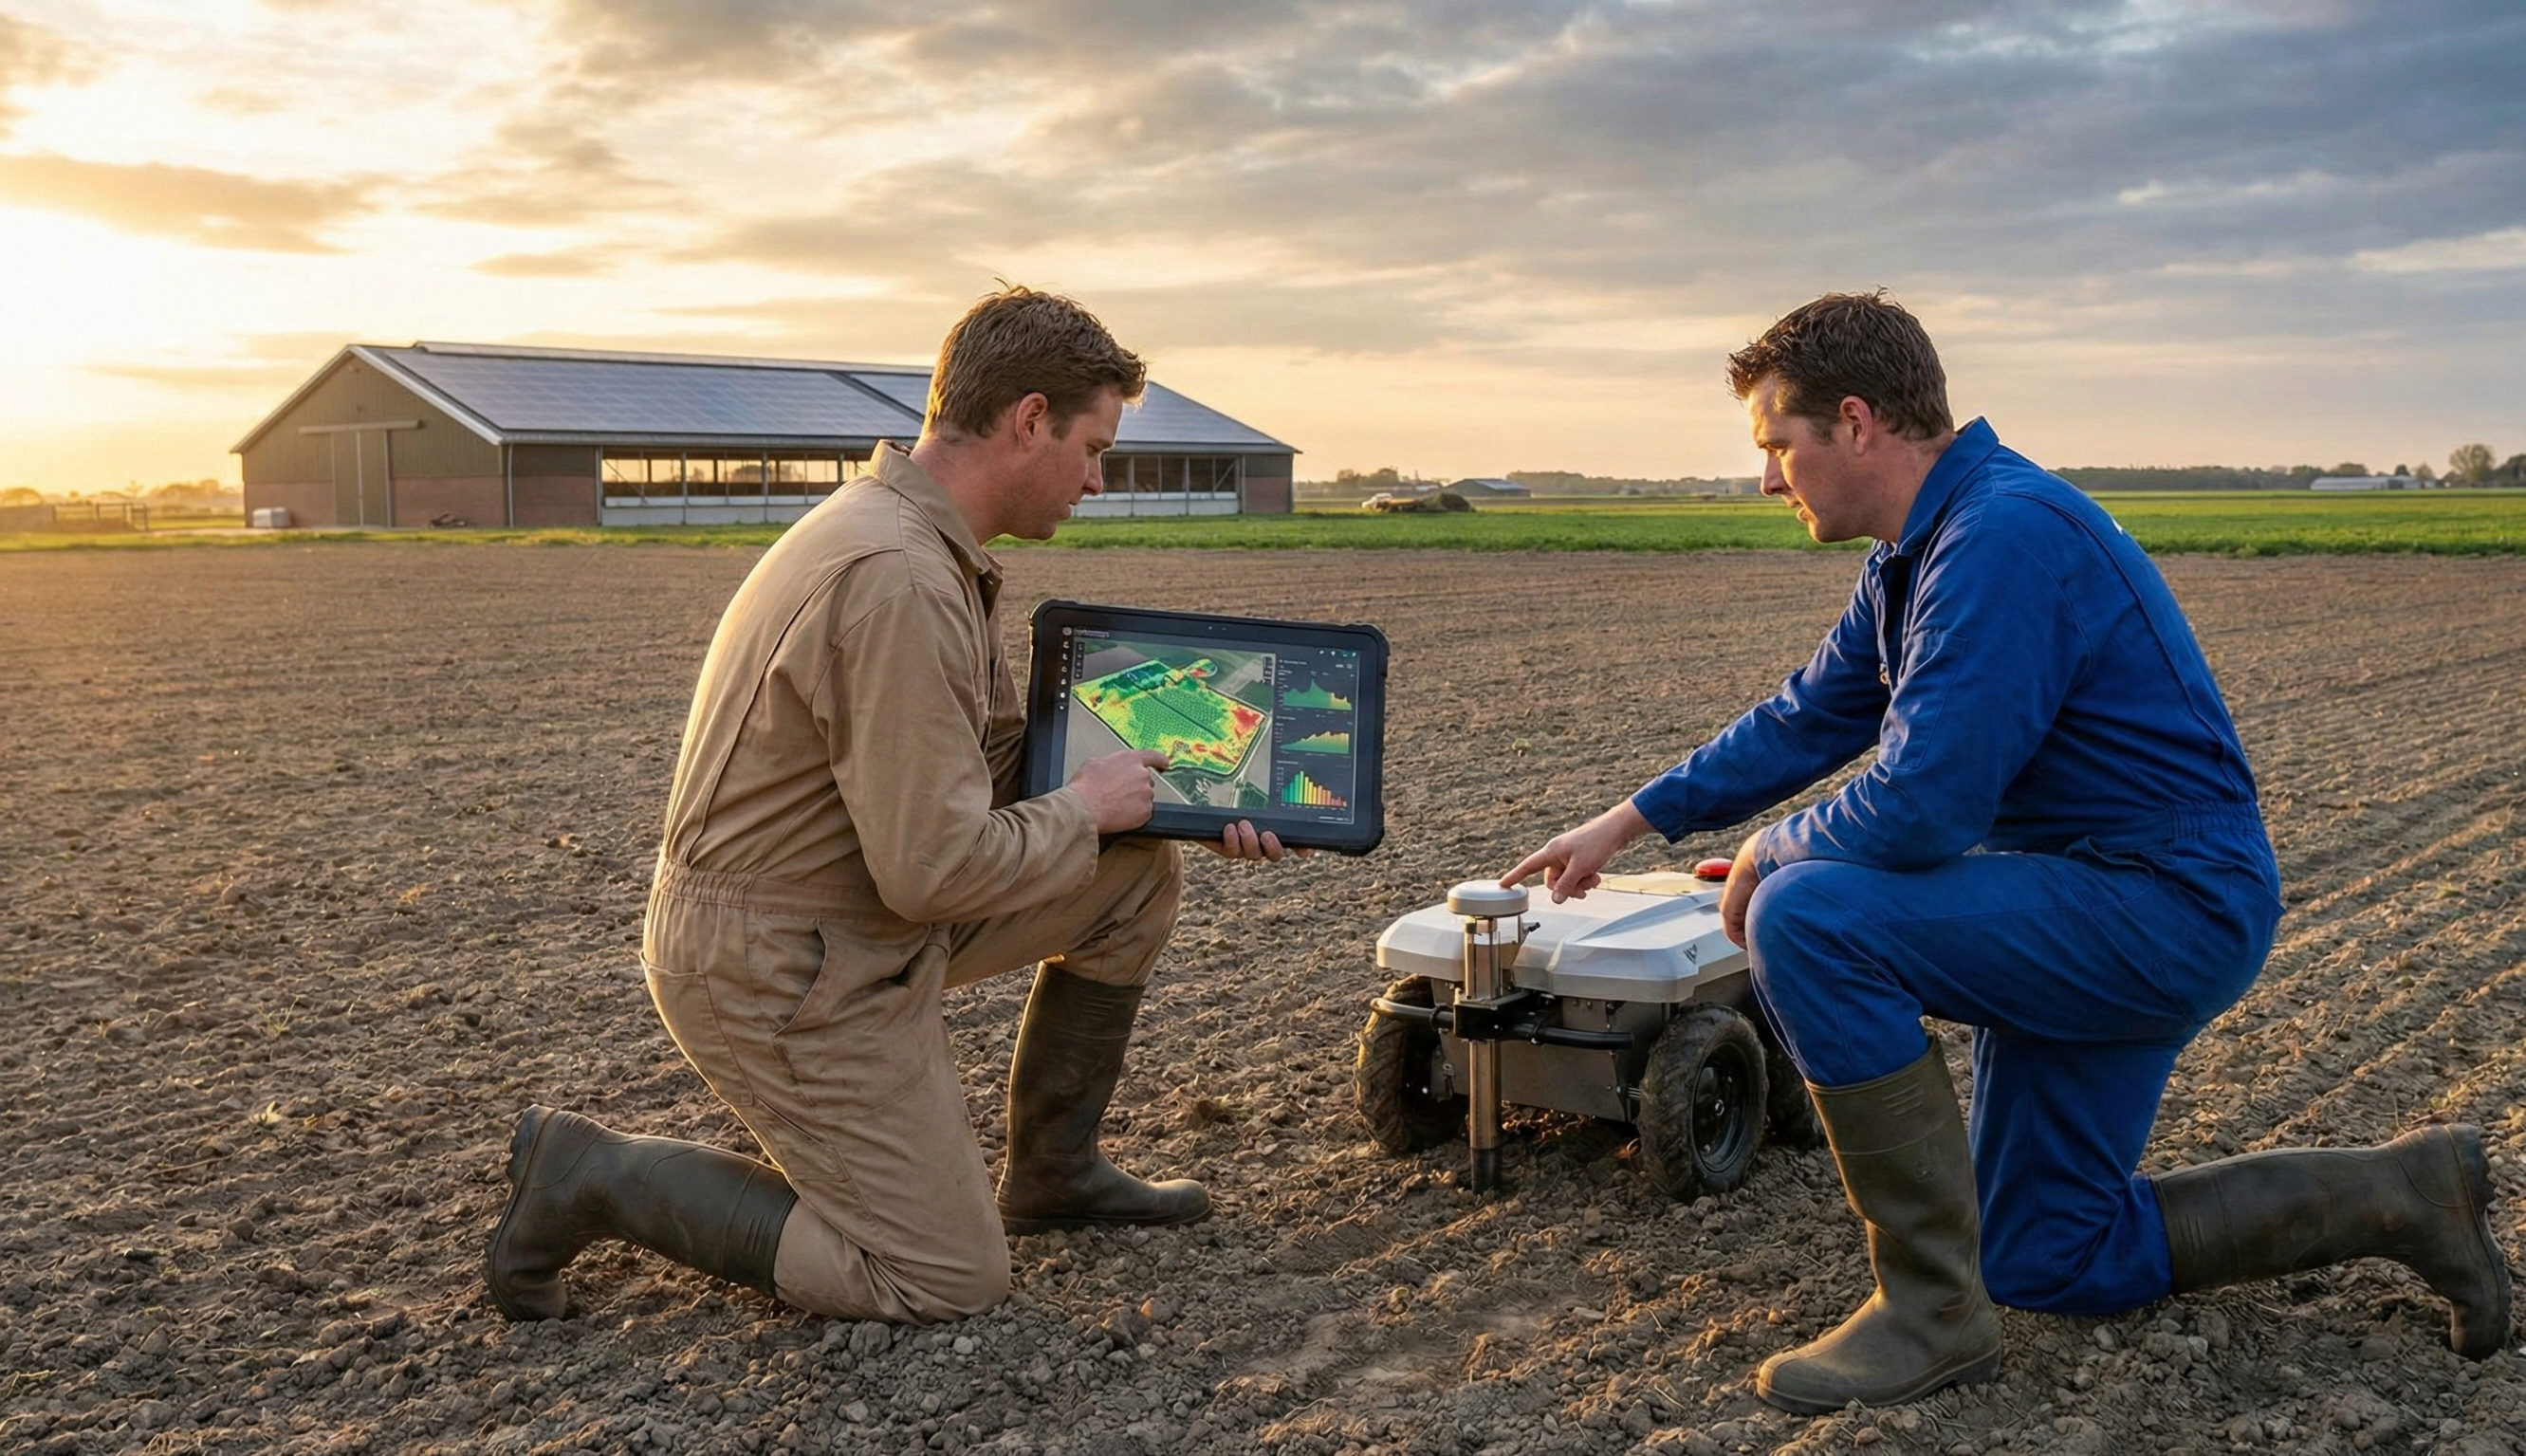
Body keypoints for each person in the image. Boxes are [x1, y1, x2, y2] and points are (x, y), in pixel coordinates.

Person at [1504, 291, 2510, 1413]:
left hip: (2155, 901)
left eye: (1774, 446)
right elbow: (1808, 712)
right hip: (2086, 892)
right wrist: (1626, 820)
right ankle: (2404, 1193)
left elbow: (1927, 802)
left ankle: (1929, 1313)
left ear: (1853, 422)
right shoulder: (1917, 549)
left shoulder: (1999, 537)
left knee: (1809, 915)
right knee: (2047, 1253)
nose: (1764, 477)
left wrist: (1773, 850)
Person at [486, 286, 1296, 1325]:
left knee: (1133, 875)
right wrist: (1086, 805)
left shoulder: (913, 536)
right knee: (944, 1275)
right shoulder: (899, 577)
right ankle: (589, 1171)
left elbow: (967, 780)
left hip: (842, 908)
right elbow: (933, 872)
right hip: (779, 962)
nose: (1097, 478)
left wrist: (1184, 789)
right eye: (1093, 446)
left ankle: (1053, 1171)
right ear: (1029, 418)